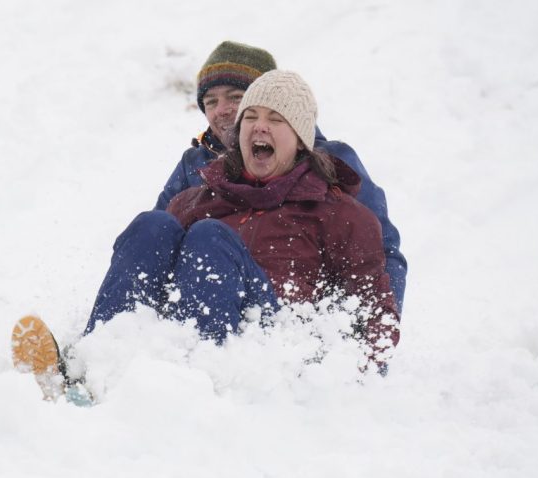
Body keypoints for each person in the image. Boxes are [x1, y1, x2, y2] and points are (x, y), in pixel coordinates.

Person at [12, 70, 399, 401]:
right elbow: (145, 255)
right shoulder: (203, 195)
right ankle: (92, 369)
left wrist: (354, 374)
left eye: (276, 119)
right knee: (154, 225)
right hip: (189, 318)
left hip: (267, 346)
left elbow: (372, 304)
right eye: (251, 117)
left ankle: (190, 385)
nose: (260, 125)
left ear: (300, 138)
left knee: (211, 238)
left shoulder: (337, 212)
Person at [154, 41, 407, 314]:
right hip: (202, 305)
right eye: (211, 102)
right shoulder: (195, 165)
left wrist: (362, 334)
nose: (221, 110)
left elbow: (379, 253)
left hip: (286, 313)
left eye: (235, 97)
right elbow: (161, 242)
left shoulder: (329, 162)